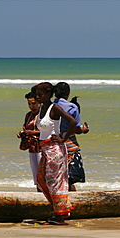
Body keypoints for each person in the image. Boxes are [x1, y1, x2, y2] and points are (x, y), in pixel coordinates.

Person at [35, 82, 77, 225]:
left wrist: (63, 138)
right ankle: (58, 210)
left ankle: (59, 216)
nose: (38, 96)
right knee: (41, 179)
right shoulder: (42, 109)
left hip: (55, 150)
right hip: (45, 150)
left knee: (55, 183)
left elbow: (72, 122)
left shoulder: (55, 108)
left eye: (41, 93)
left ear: (48, 94)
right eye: (37, 93)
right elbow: (44, 130)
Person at [53, 82, 89, 191]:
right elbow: (76, 129)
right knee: (70, 178)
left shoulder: (50, 105)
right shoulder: (72, 107)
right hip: (69, 144)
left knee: (59, 177)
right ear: (68, 93)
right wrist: (84, 130)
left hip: (54, 141)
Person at [17, 91, 41, 192]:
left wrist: (31, 132)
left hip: (42, 148)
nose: (31, 106)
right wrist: (22, 133)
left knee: (44, 175)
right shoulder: (28, 115)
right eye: (29, 104)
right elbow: (25, 128)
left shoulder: (43, 115)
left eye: (34, 103)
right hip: (32, 148)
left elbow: (48, 131)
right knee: (36, 176)